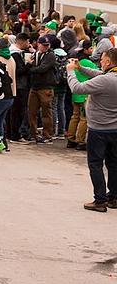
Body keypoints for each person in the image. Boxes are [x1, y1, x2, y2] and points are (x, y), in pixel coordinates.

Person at [67, 50, 117, 212]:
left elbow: (77, 88)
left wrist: (70, 72)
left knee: (95, 164)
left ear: (108, 62)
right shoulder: (110, 77)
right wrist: (80, 68)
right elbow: (100, 74)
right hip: (114, 129)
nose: (100, 63)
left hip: (99, 129)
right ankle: (114, 197)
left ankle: (100, 200)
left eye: (102, 60)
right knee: (113, 163)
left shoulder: (105, 81)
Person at [26, 35, 57, 143]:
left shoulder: (51, 55)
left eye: (47, 45)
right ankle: (34, 134)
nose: (46, 47)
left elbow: (43, 68)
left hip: (46, 87)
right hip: (34, 86)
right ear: (39, 44)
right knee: (31, 111)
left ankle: (47, 135)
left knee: (46, 112)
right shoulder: (35, 54)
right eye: (44, 45)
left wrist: (30, 68)